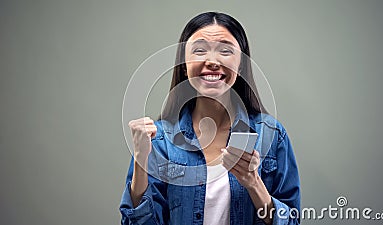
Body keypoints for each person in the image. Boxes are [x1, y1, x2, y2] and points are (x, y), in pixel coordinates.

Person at [120, 12, 300, 225]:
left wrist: (253, 184)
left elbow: (291, 221)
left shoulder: (271, 134)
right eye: (199, 50)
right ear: (184, 66)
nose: (212, 61)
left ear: (241, 64)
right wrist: (141, 160)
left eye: (225, 50)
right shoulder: (159, 141)